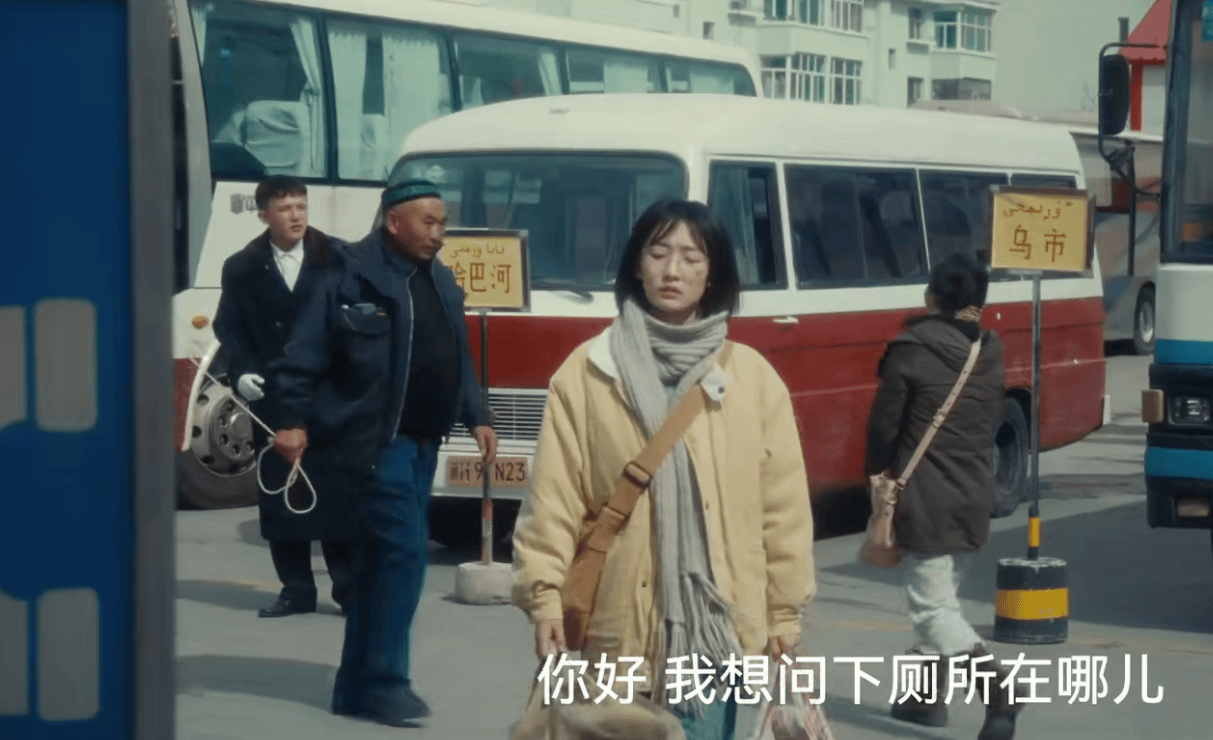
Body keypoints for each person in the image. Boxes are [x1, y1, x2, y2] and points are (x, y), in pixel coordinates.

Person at [511, 198, 816, 740]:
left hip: (716, 632)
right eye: (658, 254)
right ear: (636, 264)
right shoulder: (588, 372)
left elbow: (783, 510)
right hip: (617, 632)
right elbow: (553, 498)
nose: (673, 270)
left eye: (692, 258)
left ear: (713, 272)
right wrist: (544, 598)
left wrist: (785, 614)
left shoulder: (752, 378)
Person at [266, 179, 499, 728]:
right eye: (428, 223)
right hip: (371, 443)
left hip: (423, 445)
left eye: (442, 223)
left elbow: (458, 353)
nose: (439, 234)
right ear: (395, 222)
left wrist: (478, 414)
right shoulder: (345, 273)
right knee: (405, 556)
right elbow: (302, 351)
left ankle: (353, 688)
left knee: (376, 566)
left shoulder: (441, 280)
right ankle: (386, 683)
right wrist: (291, 420)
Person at [863, 250, 1024, 740]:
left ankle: (1000, 692)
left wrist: (877, 478)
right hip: (973, 496)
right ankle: (923, 701)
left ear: (931, 295)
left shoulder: (912, 349)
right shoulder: (990, 350)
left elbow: (885, 426)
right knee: (941, 601)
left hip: (925, 499)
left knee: (934, 611)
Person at [211, 175, 357, 619]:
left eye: (300, 206)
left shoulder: (338, 257)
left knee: (335, 494)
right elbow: (228, 327)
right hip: (272, 397)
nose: (295, 216)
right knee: (280, 495)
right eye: (284, 208)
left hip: (329, 395)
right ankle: (296, 590)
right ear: (263, 215)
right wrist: (240, 373)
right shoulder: (242, 266)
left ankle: (349, 591)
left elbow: (360, 325)